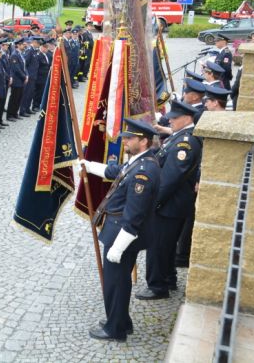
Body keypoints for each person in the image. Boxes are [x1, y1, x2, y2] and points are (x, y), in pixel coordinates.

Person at [81, 119, 161, 342]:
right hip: (117, 231)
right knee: (118, 281)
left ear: (143, 141)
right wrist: (87, 165)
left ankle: (115, 329)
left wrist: (117, 248)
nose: (124, 140)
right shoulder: (138, 161)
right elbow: (114, 171)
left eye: (130, 138)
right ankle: (121, 321)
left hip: (122, 236)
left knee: (115, 283)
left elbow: (134, 216)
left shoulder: (143, 172)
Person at [136, 101, 201, 301]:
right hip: (172, 204)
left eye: (174, 117)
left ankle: (157, 286)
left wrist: (153, 202)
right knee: (167, 245)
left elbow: (169, 179)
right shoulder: (180, 136)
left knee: (158, 245)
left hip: (169, 205)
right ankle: (169, 278)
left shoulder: (185, 143)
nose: (170, 120)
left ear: (187, 118)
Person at [7, 38, 28, 121]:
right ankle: (10, 115)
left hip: (21, 80)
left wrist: (26, 75)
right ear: (18, 45)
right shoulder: (14, 55)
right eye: (22, 44)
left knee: (19, 97)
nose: (24, 46)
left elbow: (24, 66)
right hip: (16, 80)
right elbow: (16, 69)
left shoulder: (20, 54)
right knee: (14, 98)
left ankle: (15, 113)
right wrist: (24, 76)